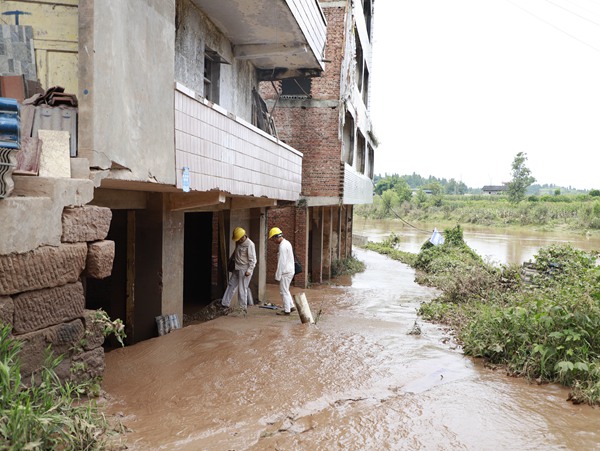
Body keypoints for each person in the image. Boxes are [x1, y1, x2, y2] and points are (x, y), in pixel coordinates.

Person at [221, 227, 256, 314]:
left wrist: (249, 270)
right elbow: (235, 253)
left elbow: (253, 260)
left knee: (242, 289)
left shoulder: (250, 245)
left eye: (239, 239)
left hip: (245, 269)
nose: (238, 240)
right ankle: (225, 304)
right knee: (231, 285)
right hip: (237, 267)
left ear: (242, 236)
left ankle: (242, 308)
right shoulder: (238, 242)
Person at [268, 227, 296, 316]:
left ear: (277, 237)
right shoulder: (287, 243)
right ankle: (291, 306)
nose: (273, 241)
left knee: (283, 291)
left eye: (273, 239)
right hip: (290, 270)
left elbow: (281, 262)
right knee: (286, 290)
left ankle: (287, 310)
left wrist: (278, 275)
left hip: (285, 272)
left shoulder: (283, 246)